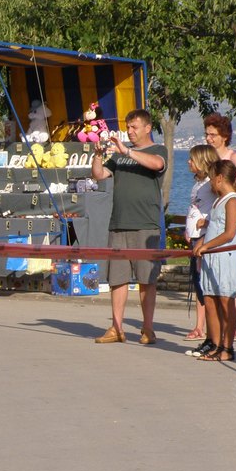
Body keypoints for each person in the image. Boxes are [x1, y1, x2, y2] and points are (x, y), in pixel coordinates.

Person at [90, 109, 168, 344]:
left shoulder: (157, 150)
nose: (130, 132)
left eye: (134, 127)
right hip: (119, 223)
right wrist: (97, 156)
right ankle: (116, 328)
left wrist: (128, 151)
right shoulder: (119, 155)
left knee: (147, 279)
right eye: (128, 127)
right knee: (118, 279)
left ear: (147, 127)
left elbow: (156, 164)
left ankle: (147, 328)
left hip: (146, 225)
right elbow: (99, 175)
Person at [191, 160, 236, 362]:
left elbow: (229, 233)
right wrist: (202, 243)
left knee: (225, 302)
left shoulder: (233, 201)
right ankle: (214, 343)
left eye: (212, 179)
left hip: (226, 257)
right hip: (211, 258)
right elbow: (214, 227)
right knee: (210, 301)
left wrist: (207, 245)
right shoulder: (218, 201)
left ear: (220, 178)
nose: (210, 184)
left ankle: (227, 346)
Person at [183, 144, 220, 344]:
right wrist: (188, 229)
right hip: (195, 236)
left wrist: (206, 224)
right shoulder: (197, 184)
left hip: (205, 236)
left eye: (192, 159)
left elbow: (217, 209)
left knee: (205, 281)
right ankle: (200, 326)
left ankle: (210, 327)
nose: (188, 162)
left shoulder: (210, 184)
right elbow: (195, 207)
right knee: (198, 281)